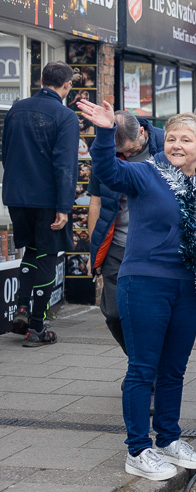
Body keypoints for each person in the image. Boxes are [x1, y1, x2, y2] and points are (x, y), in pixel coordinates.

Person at [79, 99, 196, 481]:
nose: (177, 145)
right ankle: (138, 448)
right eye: (171, 139)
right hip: (145, 282)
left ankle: (169, 438)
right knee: (143, 369)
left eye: (186, 139)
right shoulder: (144, 174)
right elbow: (106, 170)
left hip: (187, 287)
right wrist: (104, 132)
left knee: (174, 369)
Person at [1, 62, 77, 345]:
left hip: (16, 195)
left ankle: (21, 308)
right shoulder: (66, 116)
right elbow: (65, 165)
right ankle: (36, 326)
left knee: (30, 249)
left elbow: (5, 152)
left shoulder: (16, 109)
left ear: (42, 79)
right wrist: (64, 207)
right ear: (66, 85)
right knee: (47, 254)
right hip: (47, 199)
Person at [88, 111, 164, 353]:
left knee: (150, 315)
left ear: (142, 132)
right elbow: (96, 202)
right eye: (122, 152)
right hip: (117, 246)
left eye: (131, 151)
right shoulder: (105, 151)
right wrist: (95, 246)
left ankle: (146, 367)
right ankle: (140, 362)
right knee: (113, 313)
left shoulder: (166, 146)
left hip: (156, 248)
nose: (127, 156)